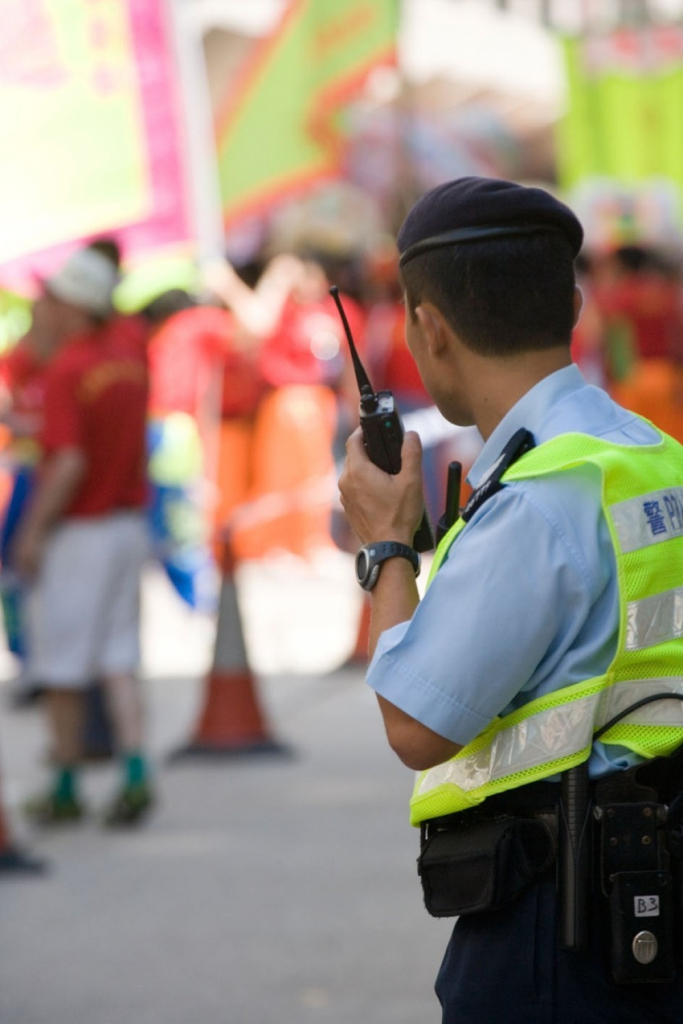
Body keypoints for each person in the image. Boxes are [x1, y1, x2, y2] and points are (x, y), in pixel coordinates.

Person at [339, 176, 683, 1022]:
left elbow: (418, 725)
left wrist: (388, 546)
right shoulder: (647, 454)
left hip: (559, 926)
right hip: (654, 884)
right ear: (570, 302)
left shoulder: (534, 501)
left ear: (429, 326)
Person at [13, 244, 153, 826]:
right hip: (126, 525)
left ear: (73, 305)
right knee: (119, 658)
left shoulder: (69, 368)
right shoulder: (125, 359)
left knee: (63, 666)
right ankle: (136, 775)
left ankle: (67, 786)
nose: (42, 307)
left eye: (52, 298)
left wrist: (32, 531)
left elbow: (68, 461)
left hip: (81, 533)